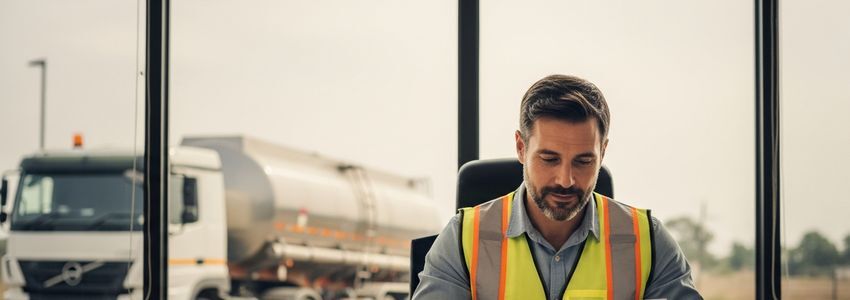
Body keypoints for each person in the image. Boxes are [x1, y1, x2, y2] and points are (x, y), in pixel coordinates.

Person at [412, 75, 702, 300]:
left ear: (603, 152)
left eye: (584, 161)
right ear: (521, 147)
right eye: (549, 159)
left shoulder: (648, 242)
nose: (566, 180)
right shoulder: (464, 239)